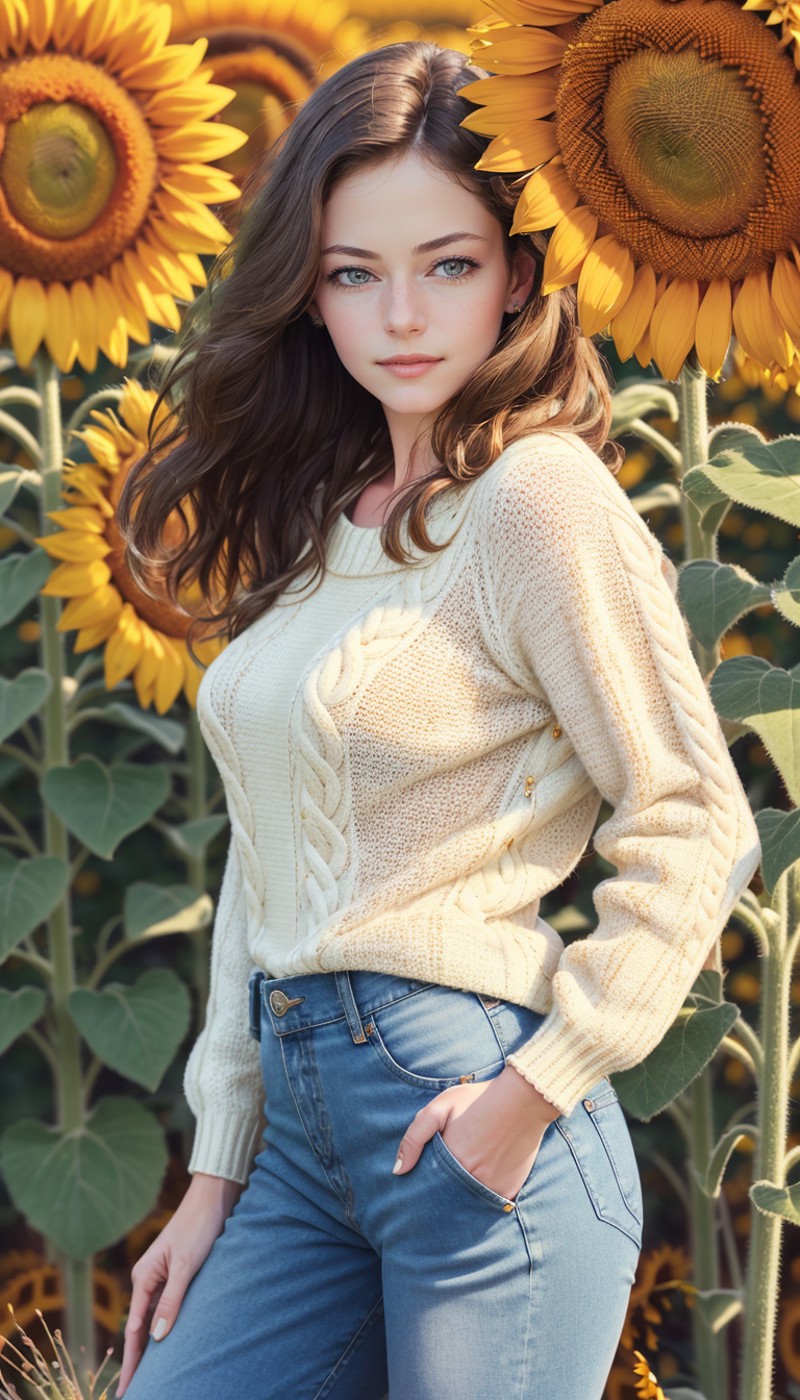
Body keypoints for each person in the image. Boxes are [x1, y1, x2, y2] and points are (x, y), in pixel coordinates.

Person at [114, 40, 761, 1400]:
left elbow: (695, 819)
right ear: (310, 292)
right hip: (298, 1152)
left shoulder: (537, 499)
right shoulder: (314, 520)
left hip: (479, 1133)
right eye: (354, 274)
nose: (400, 315)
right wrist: (215, 1171)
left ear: (519, 273)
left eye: (448, 264)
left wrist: (542, 1087)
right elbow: (268, 854)